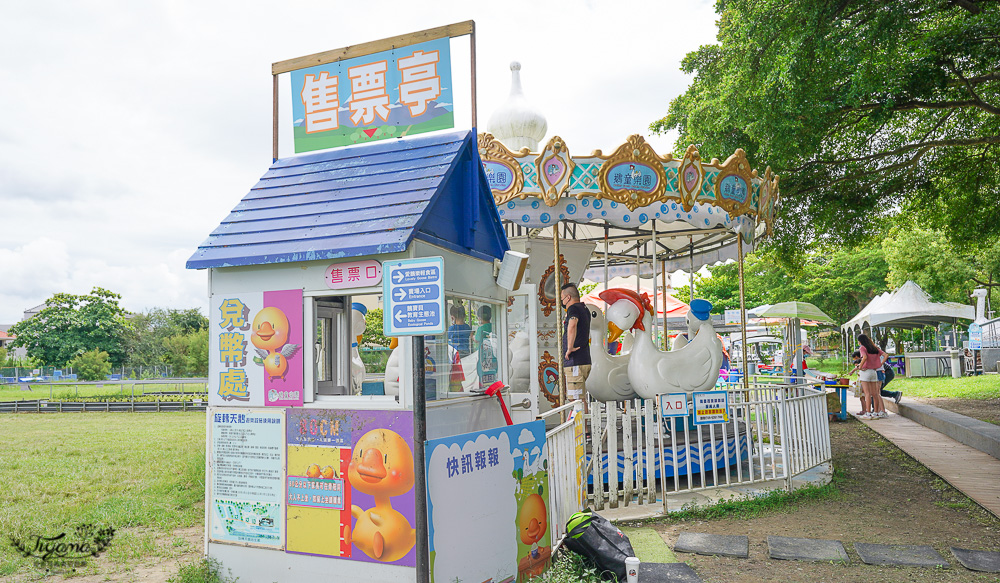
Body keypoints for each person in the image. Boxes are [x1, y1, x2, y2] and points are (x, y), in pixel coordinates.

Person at [561, 283, 592, 413]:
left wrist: (569, 347)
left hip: (575, 361)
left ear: (568, 297)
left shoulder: (573, 309)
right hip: (584, 359)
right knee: (577, 397)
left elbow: (572, 325)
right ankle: (582, 430)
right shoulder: (585, 309)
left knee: (576, 398)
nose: (561, 301)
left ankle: (582, 431)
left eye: (562, 298)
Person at [854, 334, 889, 420]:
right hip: (874, 372)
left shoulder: (862, 348)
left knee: (867, 393)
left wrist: (860, 366)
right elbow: (886, 355)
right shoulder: (874, 348)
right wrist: (880, 364)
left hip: (866, 372)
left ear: (860, 341)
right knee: (875, 393)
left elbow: (865, 357)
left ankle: (868, 413)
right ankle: (876, 413)